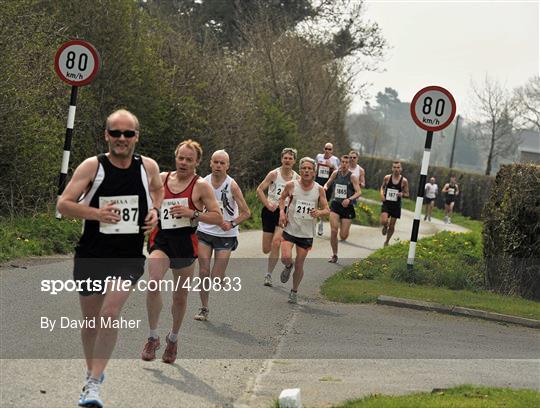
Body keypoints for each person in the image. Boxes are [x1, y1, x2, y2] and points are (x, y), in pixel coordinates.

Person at [57, 109, 164, 408]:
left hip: (128, 257)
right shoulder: (93, 166)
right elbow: (63, 204)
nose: (121, 138)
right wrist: (96, 214)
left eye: (127, 133)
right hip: (92, 254)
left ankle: (93, 384)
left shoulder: (148, 167)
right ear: (106, 135)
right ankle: (93, 375)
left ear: (136, 137)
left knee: (109, 314)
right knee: (91, 323)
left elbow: (157, 190)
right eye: (115, 132)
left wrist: (154, 211)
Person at [141, 140, 222, 364]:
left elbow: (217, 216)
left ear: (197, 162)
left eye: (189, 159)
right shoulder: (162, 179)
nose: (184, 163)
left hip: (185, 243)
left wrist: (192, 213)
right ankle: (152, 336)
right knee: (153, 282)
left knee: (180, 295)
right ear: (175, 157)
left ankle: (173, 338)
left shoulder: (201, 186)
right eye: (181, 158)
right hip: (162, 240)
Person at [194, 150, 251, 321]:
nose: (218, 166)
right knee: (203, 272)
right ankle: (204, 308)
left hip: (226, 235)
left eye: (222, 163)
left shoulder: (232, 185)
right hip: (205, 231)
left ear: (227, 166)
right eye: (216, 162)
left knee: (216, 278)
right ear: (210, 163)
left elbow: (246, 212)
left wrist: (231, 223)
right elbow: (195, 207)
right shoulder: (202, 183)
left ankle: (220, 277)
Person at [278, 157, 330, 303]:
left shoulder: (319, 189)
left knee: (300, 264)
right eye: (304, 168)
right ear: (300, 170)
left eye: (310, 169)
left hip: (306, 233)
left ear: (314, 172)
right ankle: (288, 265)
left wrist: (319, 213)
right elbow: (281, 199)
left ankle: (294, 291)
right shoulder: (291, 185)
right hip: (290, 228)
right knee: (285, 257)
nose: (307, 171)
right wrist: (282, 213)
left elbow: (327, 209)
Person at [256, 148, 299, 287]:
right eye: (285, 158)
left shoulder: (297, 179)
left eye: (290, 158)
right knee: (266, 249)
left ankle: (268, 275)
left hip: (284, 212)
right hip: (270, 211)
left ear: (294, 161)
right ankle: (287, 264)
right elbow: (260, 189)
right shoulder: (274, 174)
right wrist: (267, 204)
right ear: (281, 159)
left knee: (276, 242)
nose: (287, 160)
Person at [324, 155, 362, 263]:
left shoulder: (352, 176)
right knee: (333, 230)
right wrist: (325, 187)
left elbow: (359, 192)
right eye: (342, 162)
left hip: (347, 207)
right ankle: (334, 255)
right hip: (336, 204)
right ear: (340, 162)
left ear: (349, 164)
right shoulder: (336, 173)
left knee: (343, 235)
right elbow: (328, 182)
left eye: (346, 162)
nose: (344, 164)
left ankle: (342, 224)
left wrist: (349, 199)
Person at [380, 161, 409, 247]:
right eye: (395, 167)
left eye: (398, 167)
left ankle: (387, 241)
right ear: (392, 168)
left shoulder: (404, 181)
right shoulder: (387, 178)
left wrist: (402, 194)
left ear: (401, 169)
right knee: (384, 221)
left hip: (396, 205)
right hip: (387, 203)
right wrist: (381, 195)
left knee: (392, 226)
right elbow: (382, 187)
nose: (396, 169)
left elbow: (407, 193)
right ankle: (385, 226)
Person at [315, 143, 340, 235]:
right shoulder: (318, 156)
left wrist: (331, 166)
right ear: (323, 148)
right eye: (326, 148)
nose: (327, 151)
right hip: (318, 181)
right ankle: (313, 222)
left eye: (329, 149)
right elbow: (314, 168)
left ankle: (321, 222)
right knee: (314, 201)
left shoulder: (335, 159)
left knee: (323, 203)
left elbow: (338, 172)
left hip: (328, 184)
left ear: (332, 150)